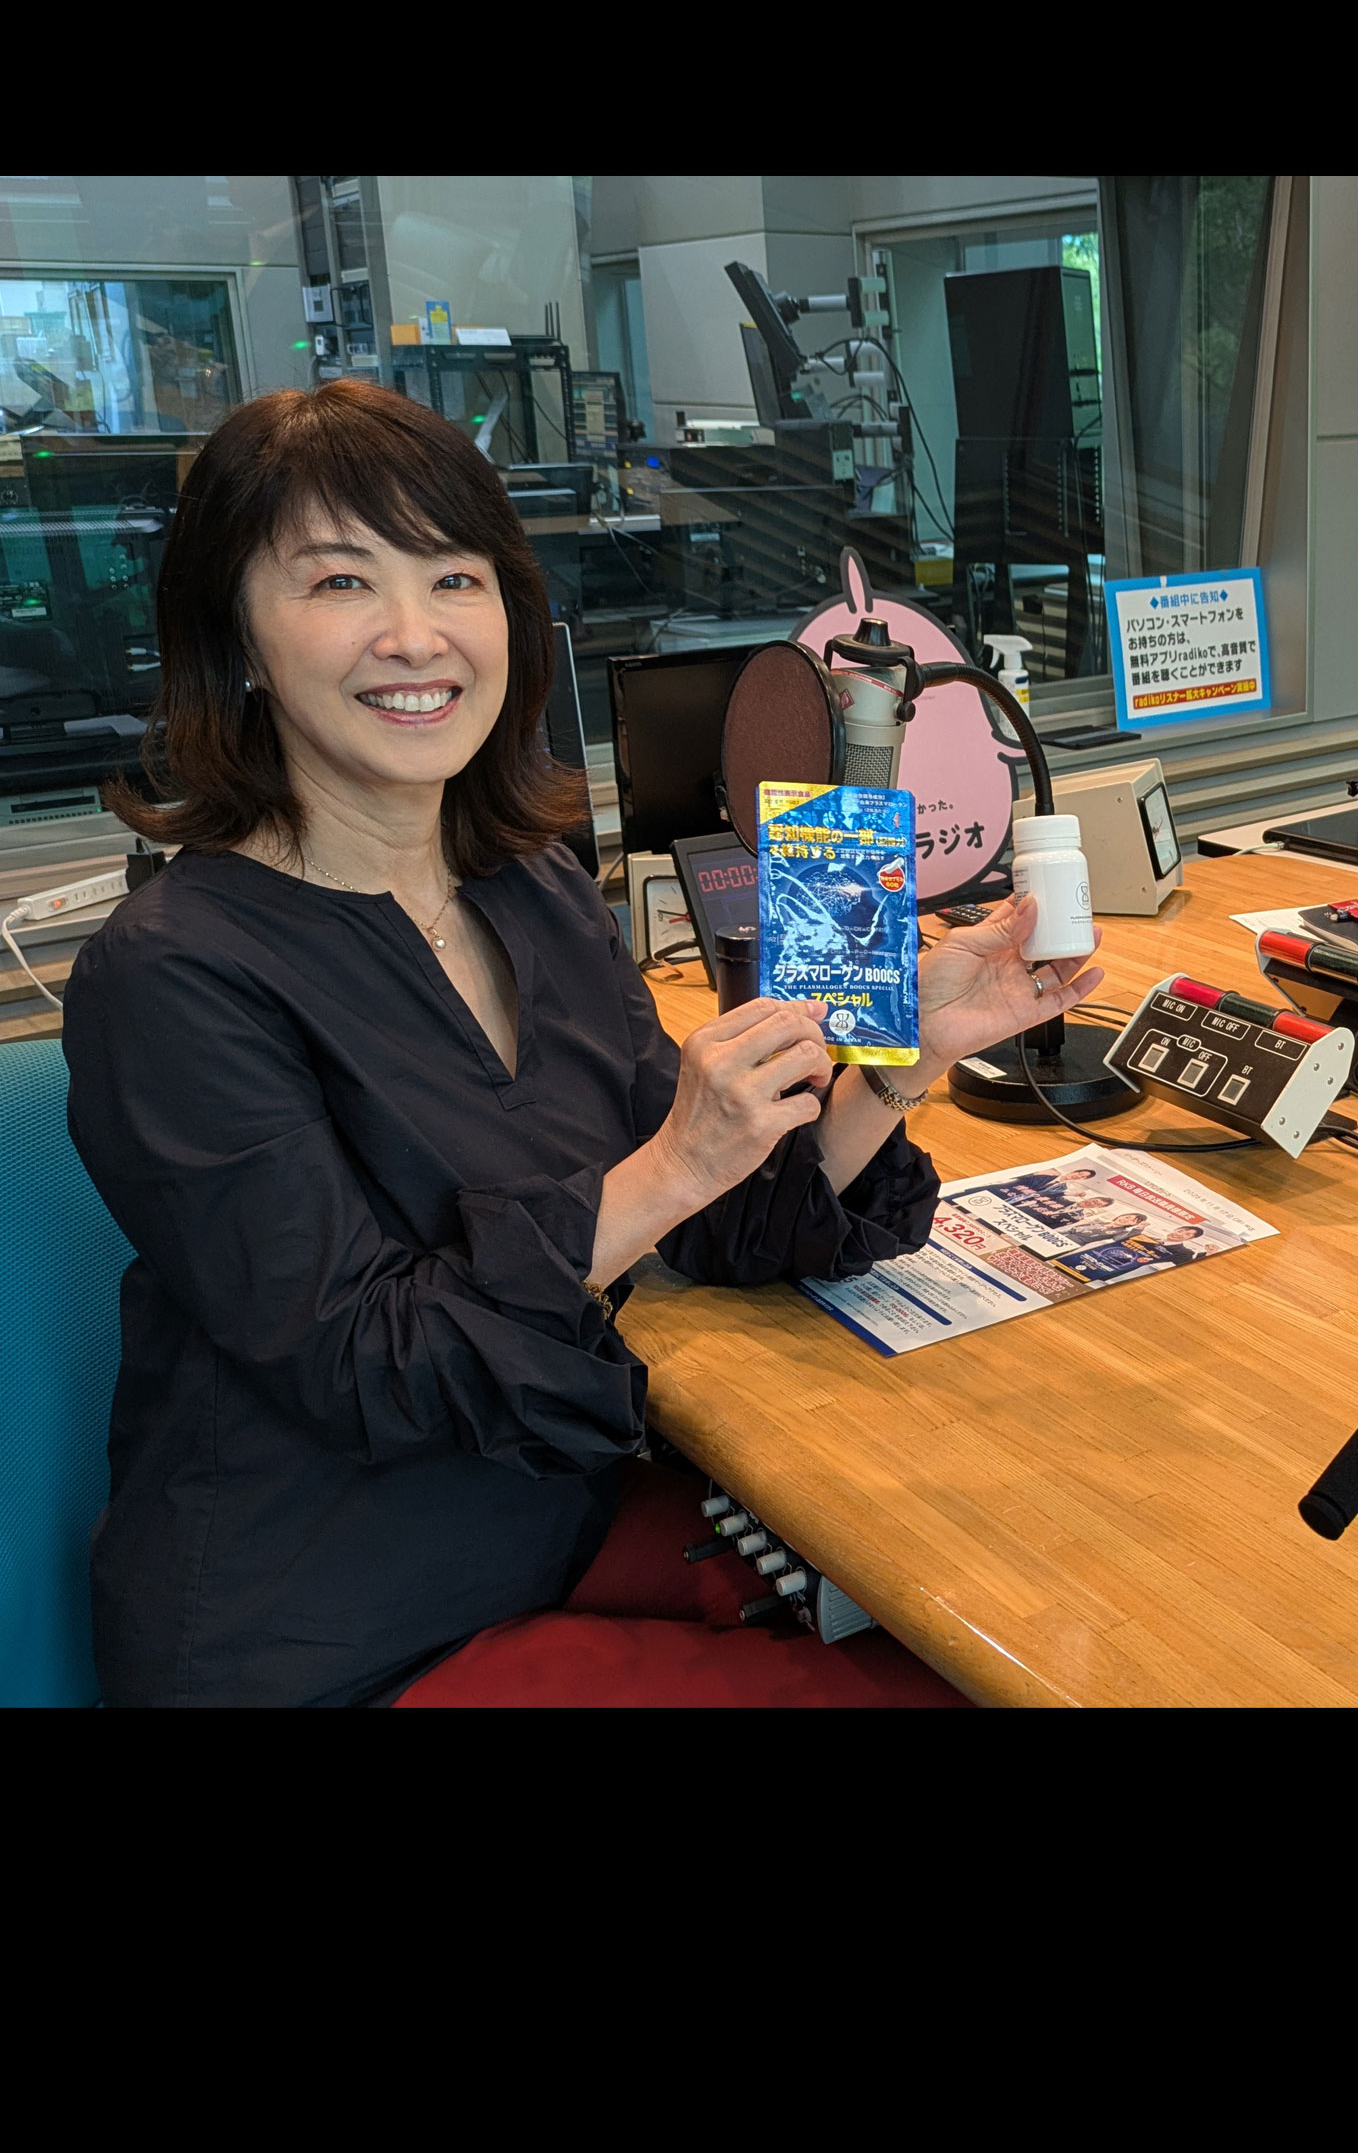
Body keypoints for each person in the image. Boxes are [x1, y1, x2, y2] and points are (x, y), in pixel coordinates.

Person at [66, 380, 1103, 1707]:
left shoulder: (531, 885)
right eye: (339, 582)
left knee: (1017, 1605)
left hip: (550, 1512)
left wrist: (904, 1065)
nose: (414, 635)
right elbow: (374, 1367)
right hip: (335, 1623)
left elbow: (713, 1223)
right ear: (238, 638)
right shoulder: (170, 976)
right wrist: (674, 1163)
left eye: (455, 578)